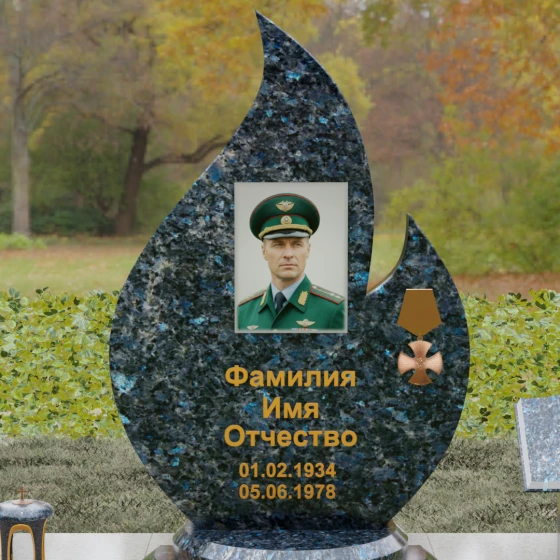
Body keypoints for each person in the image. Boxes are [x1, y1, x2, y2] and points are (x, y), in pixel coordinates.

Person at [237, 193, 345, 332]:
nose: (288, 254)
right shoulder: (243, 312)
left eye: (297, 244)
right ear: (264, 251)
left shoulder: (334, 310)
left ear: (308, 250)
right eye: (278, 245)